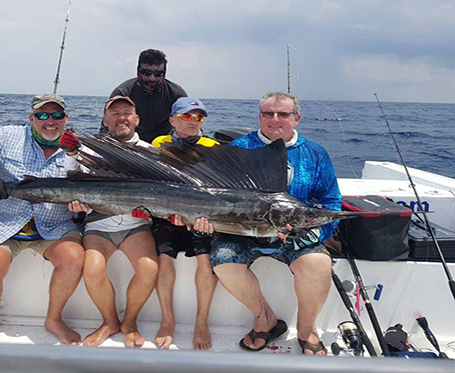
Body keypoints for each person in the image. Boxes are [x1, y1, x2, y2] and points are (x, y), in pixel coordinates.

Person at [0, 94, 85, 344]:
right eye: (42, 115)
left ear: (66, 119)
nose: (49, 121)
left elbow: (87, 187)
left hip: (55, 225)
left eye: (57, 115)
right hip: (7, 223)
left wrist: (82, 206)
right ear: (31, 118)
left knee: (74, 259)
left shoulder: (79, 149)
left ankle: (53, 319)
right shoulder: (9, 136)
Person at [207, 91, 341, 355]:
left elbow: (331, 202)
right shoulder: (238, 149)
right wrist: (203, 221)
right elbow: (215, 196)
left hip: (296, 233)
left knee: (318, 263)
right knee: (224, 262)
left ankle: (306, 328)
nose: (275, 119)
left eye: (283, 114)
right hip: (242, 232)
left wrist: (316, 232)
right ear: (260, 117)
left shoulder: (314, 153)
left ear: (297, 118)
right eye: (268, 114)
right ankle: (264, 318)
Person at [66, 96, 159, 348]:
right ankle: (109, 322)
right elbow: (74, 180)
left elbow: (158, 196)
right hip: (99, 225)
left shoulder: (150, 153)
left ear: (136, 119)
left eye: (127, 112)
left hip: (135, 225)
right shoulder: (91, 149)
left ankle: (129, 321)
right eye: (115, 113)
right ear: (105, 121)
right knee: (92, 269)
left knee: (149, 269)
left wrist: (149, 212)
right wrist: (72, 152)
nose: (121, 117)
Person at [150, 97, 220, 350]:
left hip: (201, 216)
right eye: (187, 116)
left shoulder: (213, 146)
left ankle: (202, 321)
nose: (193, 121)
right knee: (165, 257)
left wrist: (197, 217)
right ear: (172, 120)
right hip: (168, 214)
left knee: (205, 259)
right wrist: (170, 211)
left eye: (198, 117)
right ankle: (167, 319)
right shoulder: (160, 143)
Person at [108, 49, 188, 143]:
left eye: (158, 74)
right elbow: (107, 127)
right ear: (138, 71)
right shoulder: (122, 92)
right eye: (147, 73)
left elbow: (191, 122)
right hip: (131, 144)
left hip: (166, 146)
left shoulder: (176, 93)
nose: (152, 78)